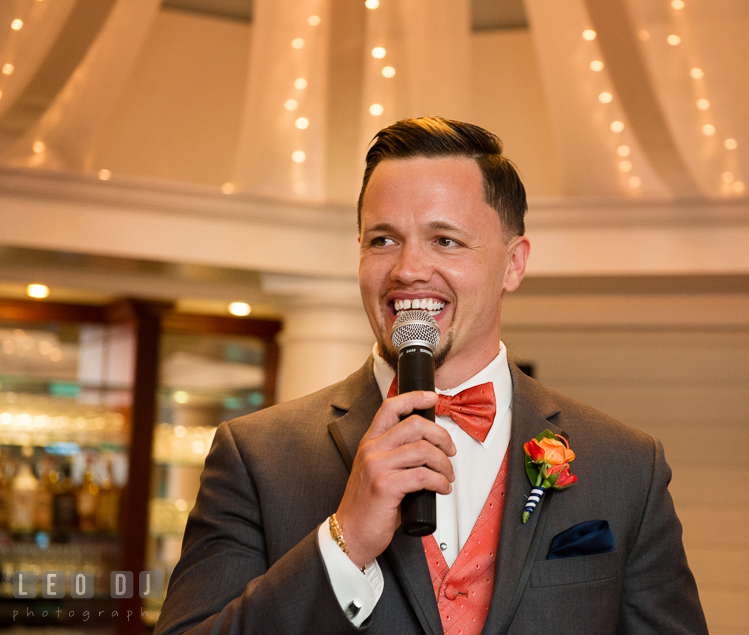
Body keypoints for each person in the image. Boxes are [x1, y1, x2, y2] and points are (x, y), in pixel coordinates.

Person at [155, 117, 708, 635]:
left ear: (513, 263)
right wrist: (343, 544)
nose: (408, 269)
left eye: (445, 239)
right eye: (383, 239)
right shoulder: (256, 457)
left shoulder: (626, 465)